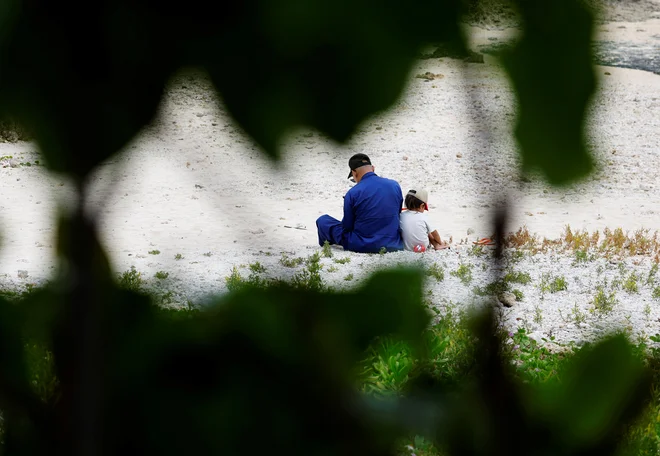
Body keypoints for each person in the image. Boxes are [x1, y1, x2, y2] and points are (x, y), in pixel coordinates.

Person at [316, 153, 404, 253]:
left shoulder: (353, 193)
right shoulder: (394, 185)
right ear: (373, 168)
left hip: (363, 244)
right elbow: (397, 213)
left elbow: (347, 227)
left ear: (354, 172)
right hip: (393, 243)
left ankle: (326, 245)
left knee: (323, 220)